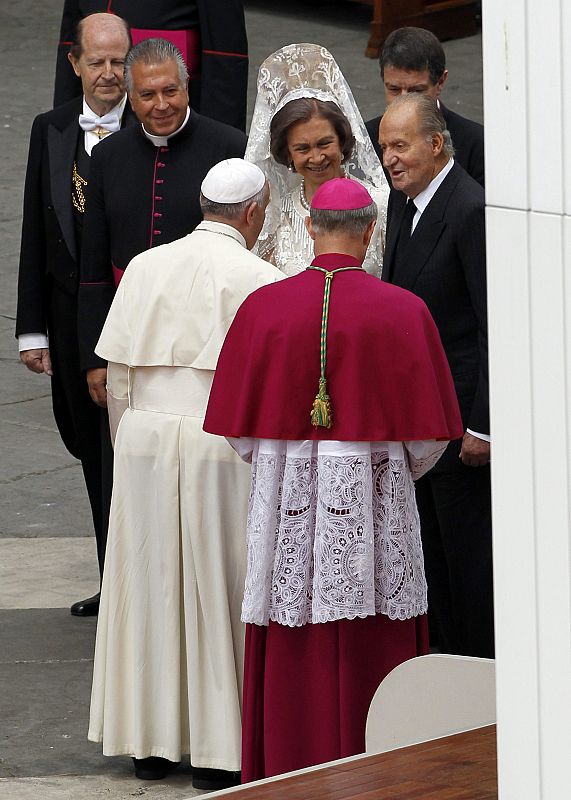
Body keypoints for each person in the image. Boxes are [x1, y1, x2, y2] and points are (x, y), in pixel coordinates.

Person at [204, 177, 463, 781]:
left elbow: (242, 437)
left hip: (287, 512)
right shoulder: (404, 310)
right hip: (377, 515)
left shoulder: (262, 309)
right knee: (377, 638)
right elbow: (426, 444)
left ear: (308, 228)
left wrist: (290, 470)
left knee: (291, 638)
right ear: (370, 232)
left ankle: (289, 768)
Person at [88, 159, 283, 787]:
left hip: (143, 438)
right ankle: (218, 751)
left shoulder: (146, 266)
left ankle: (151, 745)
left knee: (149, 586)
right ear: (254, 212)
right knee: (217, 587)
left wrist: (132, 440)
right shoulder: (261, 277)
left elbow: (118, 381)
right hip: (219, 444)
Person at [16, 12, 134, 617]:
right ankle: (112, 578)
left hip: (135, 320)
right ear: (75, 64)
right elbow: (36, 229)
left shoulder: (151, 127)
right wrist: (30, 329)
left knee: (135, 451)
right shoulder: (51, 129)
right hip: (66, 319)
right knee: (90, 448)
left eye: (120, 61)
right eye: (98, 62)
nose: (110, 74)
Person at [379, 93, 493, 658]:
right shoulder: (405, 202)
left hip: (458, 421)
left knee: (466, 564)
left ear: (436, 144)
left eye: (400, 146)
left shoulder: (469, 209)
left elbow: (492, 323)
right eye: (384, 148)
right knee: (429, 560)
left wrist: (483, 424)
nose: (390, 158)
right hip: (417, 418)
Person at [77, 37, 247, 410]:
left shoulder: (229, 147)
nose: (161, 105)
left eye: (171, 90)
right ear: (130, 98)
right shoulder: (107, 156)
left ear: (186, 87)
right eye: (148, 94)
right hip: (128, 326)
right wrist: (93, 355)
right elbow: (92, 266)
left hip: (203, 330)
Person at [246, 43, 389, 277]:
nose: (316, 157)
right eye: (302, 148)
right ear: (288, 154)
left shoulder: (380, 205)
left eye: (324, 143)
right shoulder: (277, 216)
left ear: (341, 140)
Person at [54, 0, 249, 131]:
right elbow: (72, 42)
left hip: (166, 116)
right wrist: (62, 126)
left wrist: (219, 146)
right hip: (95, 112)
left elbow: (225, 56)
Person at [366, 27, 485, 187]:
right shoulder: (365, 138)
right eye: (394, 89)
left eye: (416, 91)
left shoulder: (476, 144)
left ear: (441, 81)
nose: (404, 101)